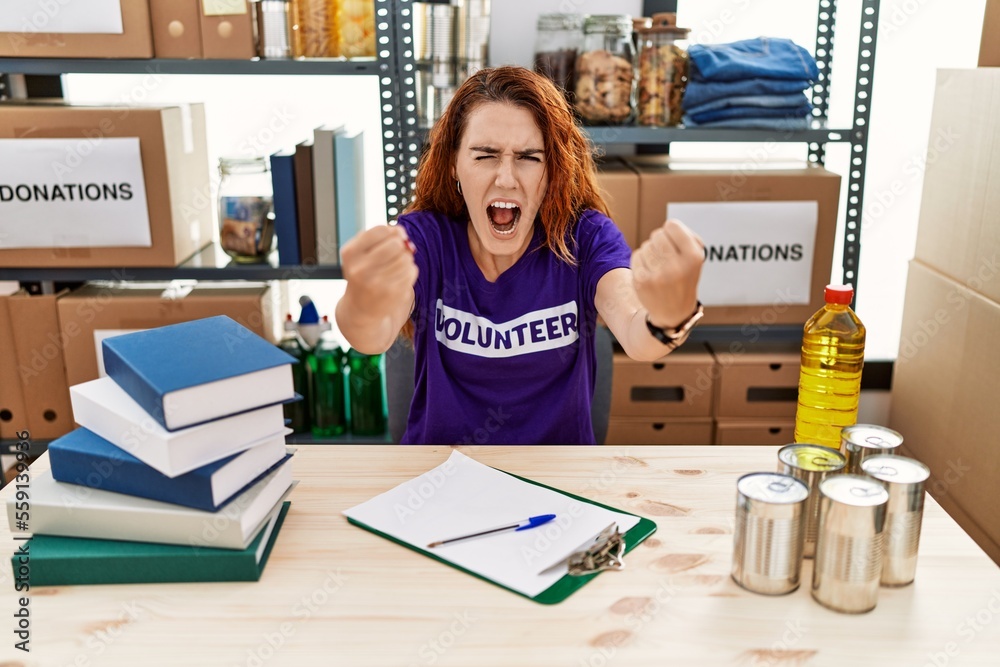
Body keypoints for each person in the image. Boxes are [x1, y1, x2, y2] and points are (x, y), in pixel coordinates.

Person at [336, 66, 704, 444]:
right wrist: (362, 299)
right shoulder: (426, 239)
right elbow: (371, 338)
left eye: (529, 157)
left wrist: (670, 313)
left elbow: (636, 332)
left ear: (553, 169)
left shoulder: (586, 237)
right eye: (485, 156)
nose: (507, 178)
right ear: (453, 165)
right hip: (438, 481)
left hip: (559, 485)